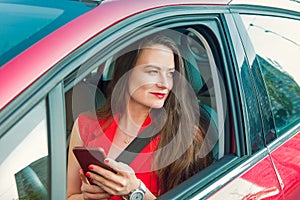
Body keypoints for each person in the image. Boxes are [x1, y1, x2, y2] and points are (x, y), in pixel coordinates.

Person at [67, 34, 212, 200]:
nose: (164, 84)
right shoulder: (86, 125)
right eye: (153, 71)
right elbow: (70, 196)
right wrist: (86, 198)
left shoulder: (185, 136)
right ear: (125, 73)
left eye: (170, 74)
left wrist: (136, 191)